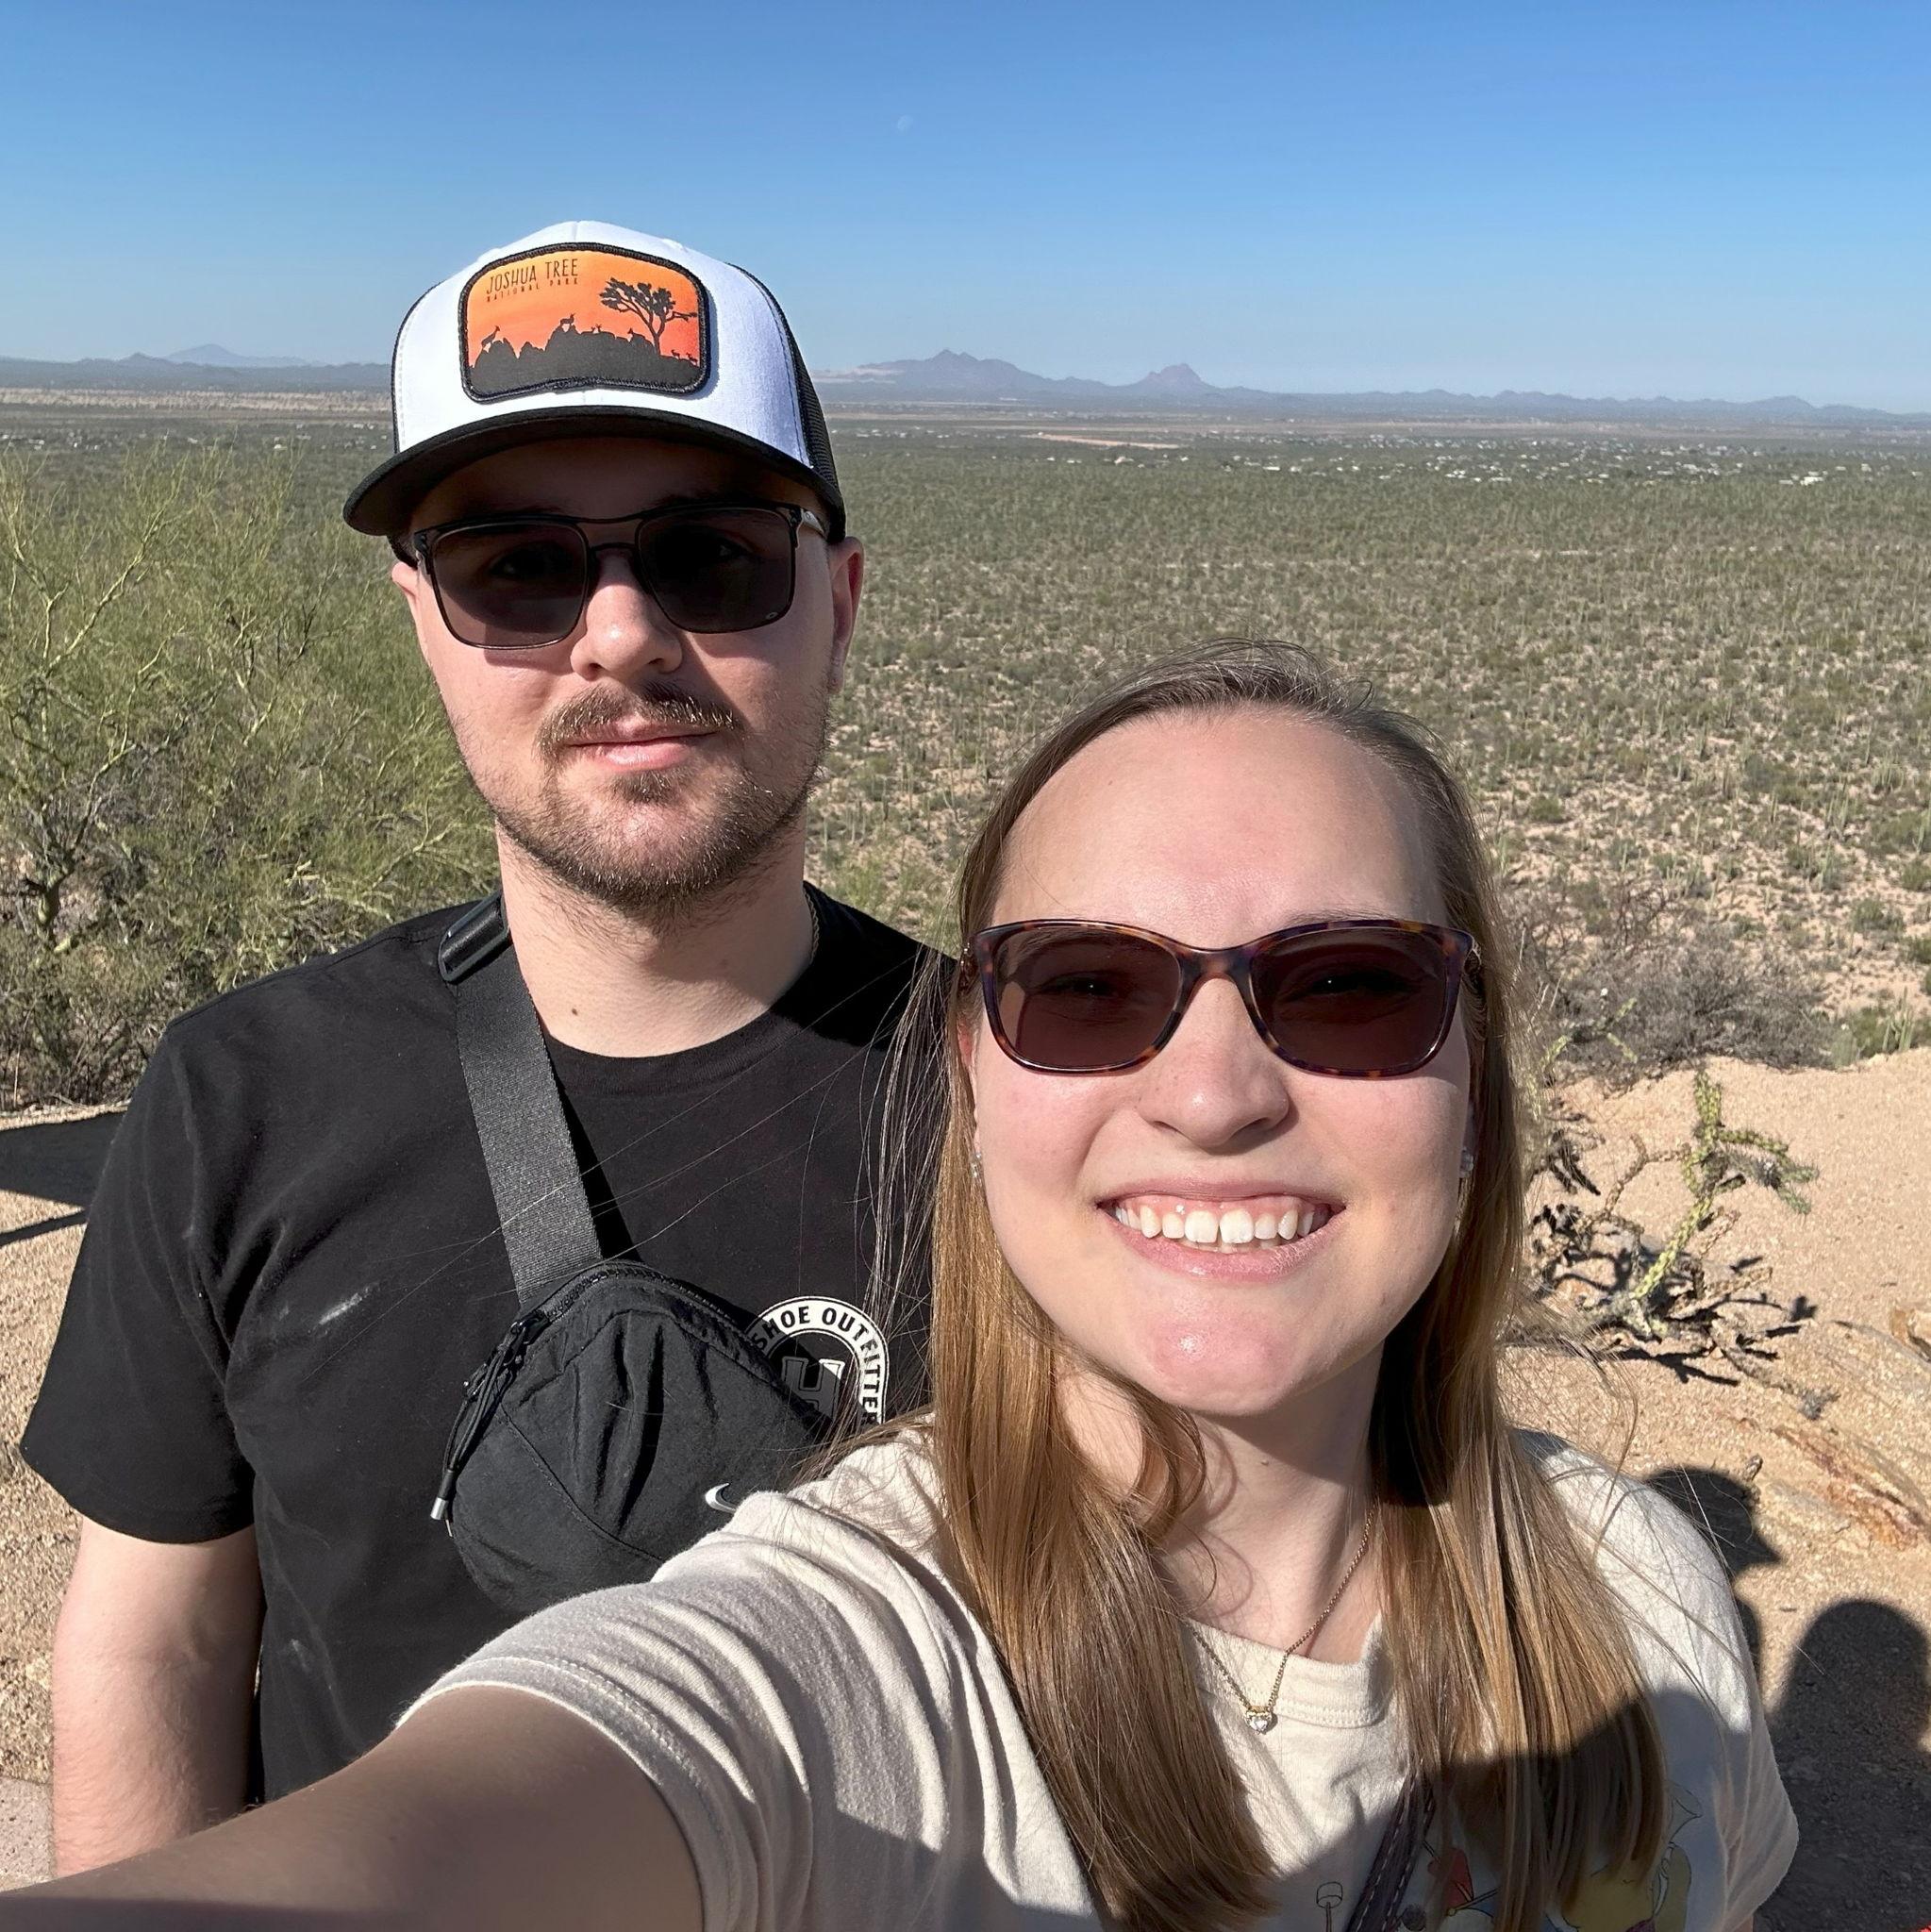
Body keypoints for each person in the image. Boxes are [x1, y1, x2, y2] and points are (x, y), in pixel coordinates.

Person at [7, 642, 1795, 1932]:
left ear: (1478, 1066)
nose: (1218, 1090)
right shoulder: (859, 1652)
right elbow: (555, 1765)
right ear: (979, 1075)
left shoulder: (1647, 1609)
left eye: (1348, 987)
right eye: (1090, 988)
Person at [19, 221, 933, 1871]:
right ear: (420, 619)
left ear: (840, 602)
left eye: (714, 555)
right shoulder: (243, 1096)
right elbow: (158, 1636)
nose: (619, 635)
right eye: (514, 565)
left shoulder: (1042, 1106)